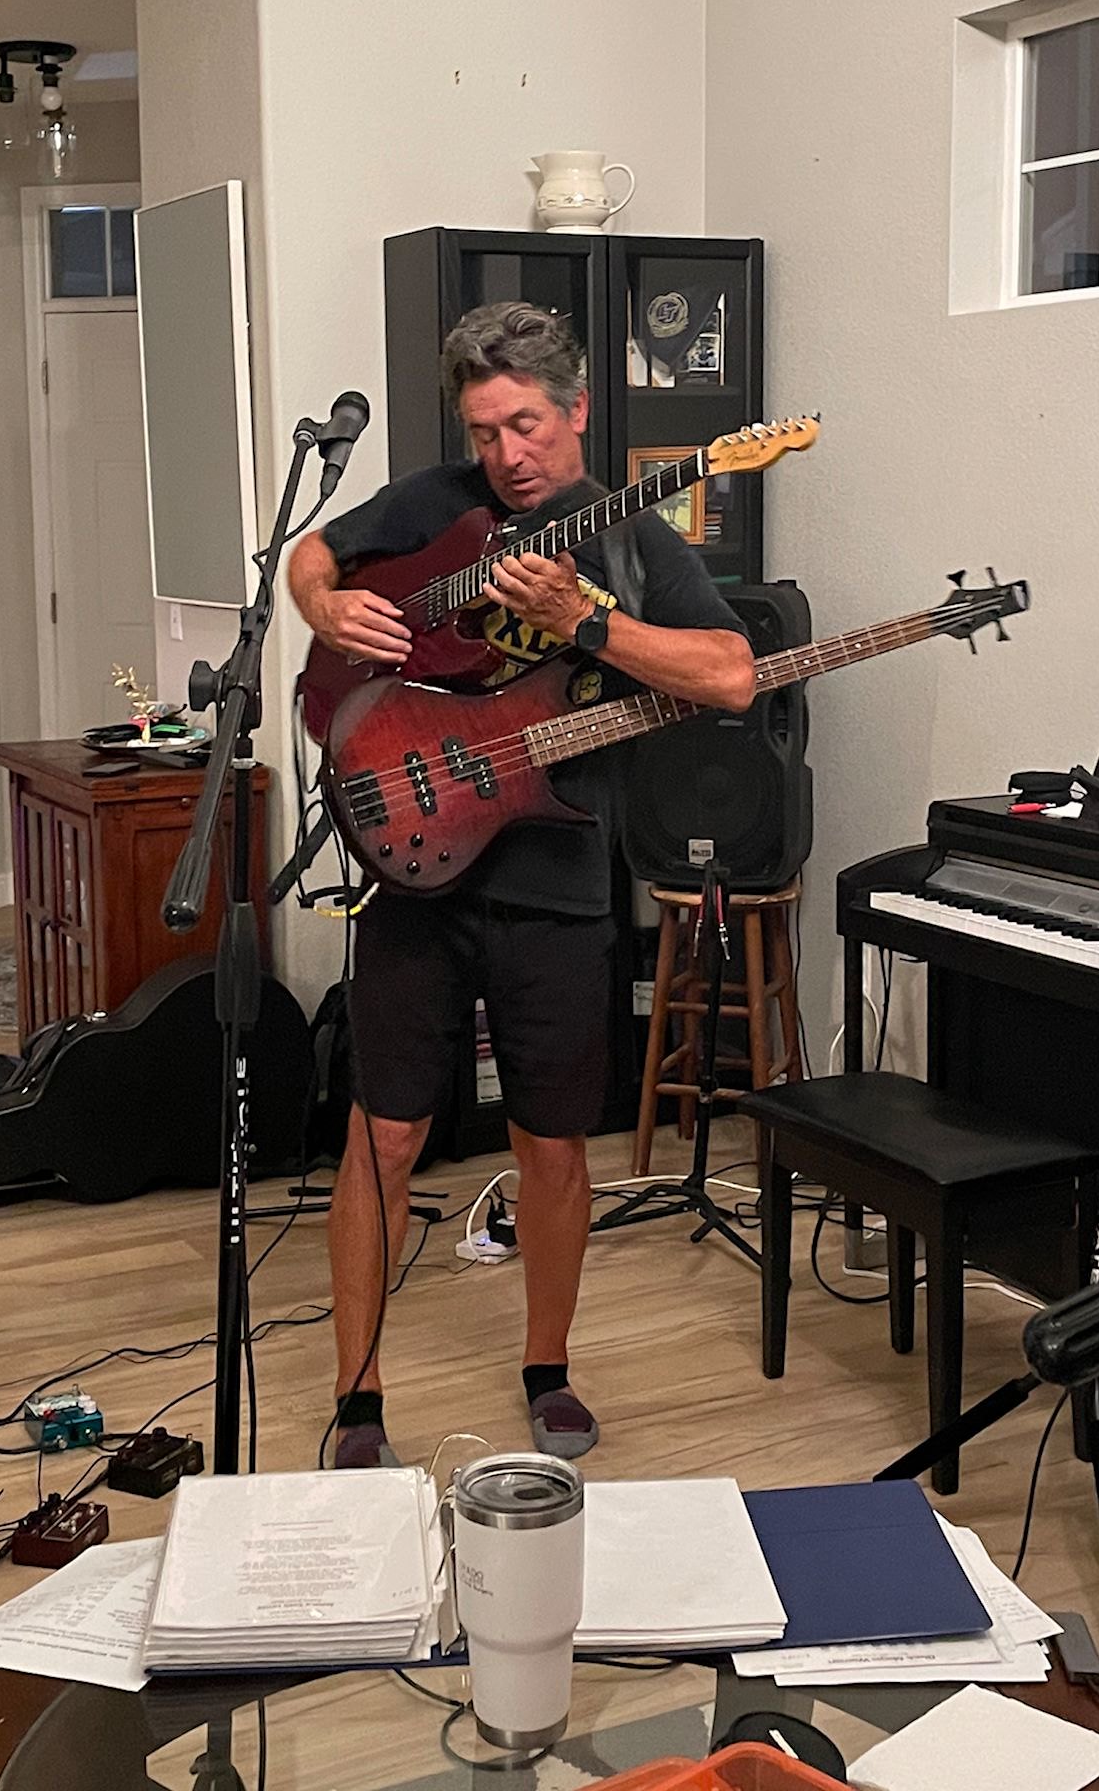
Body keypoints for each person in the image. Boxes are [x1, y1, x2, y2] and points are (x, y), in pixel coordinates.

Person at [288, 301, 755, 1469]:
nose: (507, 453)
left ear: (578, 409)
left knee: (551, 1143)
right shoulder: (434, 501)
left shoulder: (635, 540)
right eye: (486, 431)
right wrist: (324, 604)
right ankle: (357, 1393)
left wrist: (588, 620)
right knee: (385, 1133)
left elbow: (732, 675)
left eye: (528, 425)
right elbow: (311, 555)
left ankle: (549, 1366)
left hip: (559, 872)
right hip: (413, 865)